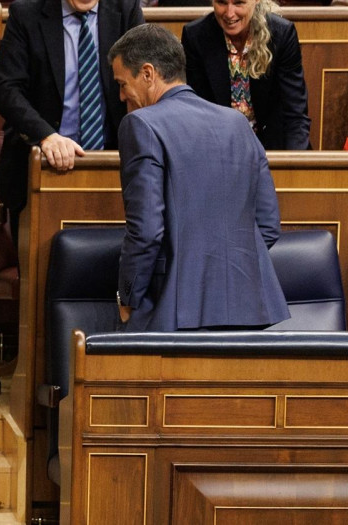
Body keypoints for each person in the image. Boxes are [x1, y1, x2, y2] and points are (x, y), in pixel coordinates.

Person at [109, 24, 290, 331]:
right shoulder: (237, 124)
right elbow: (269, 227)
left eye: (123, 83)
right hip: (250, 311)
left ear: (149, 73)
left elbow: (147, 231)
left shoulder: (140, 125)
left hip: (175, 313)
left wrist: (126, 297)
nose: (122, 95)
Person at [0, 0, 143, 240]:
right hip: (43, 165)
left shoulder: (125, 9)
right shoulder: (26, 12)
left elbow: (144, 81)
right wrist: (45, 135)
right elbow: (7, 89)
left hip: (112, 167)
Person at [182, 0, 311, 150]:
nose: (229, 13)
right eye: (222, 3)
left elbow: (295, 115)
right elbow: (196, 114)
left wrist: (292, 166)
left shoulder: (281, 33)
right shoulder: (195, 36)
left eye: (239, 3)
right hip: (218, 150)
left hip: (275, 150)